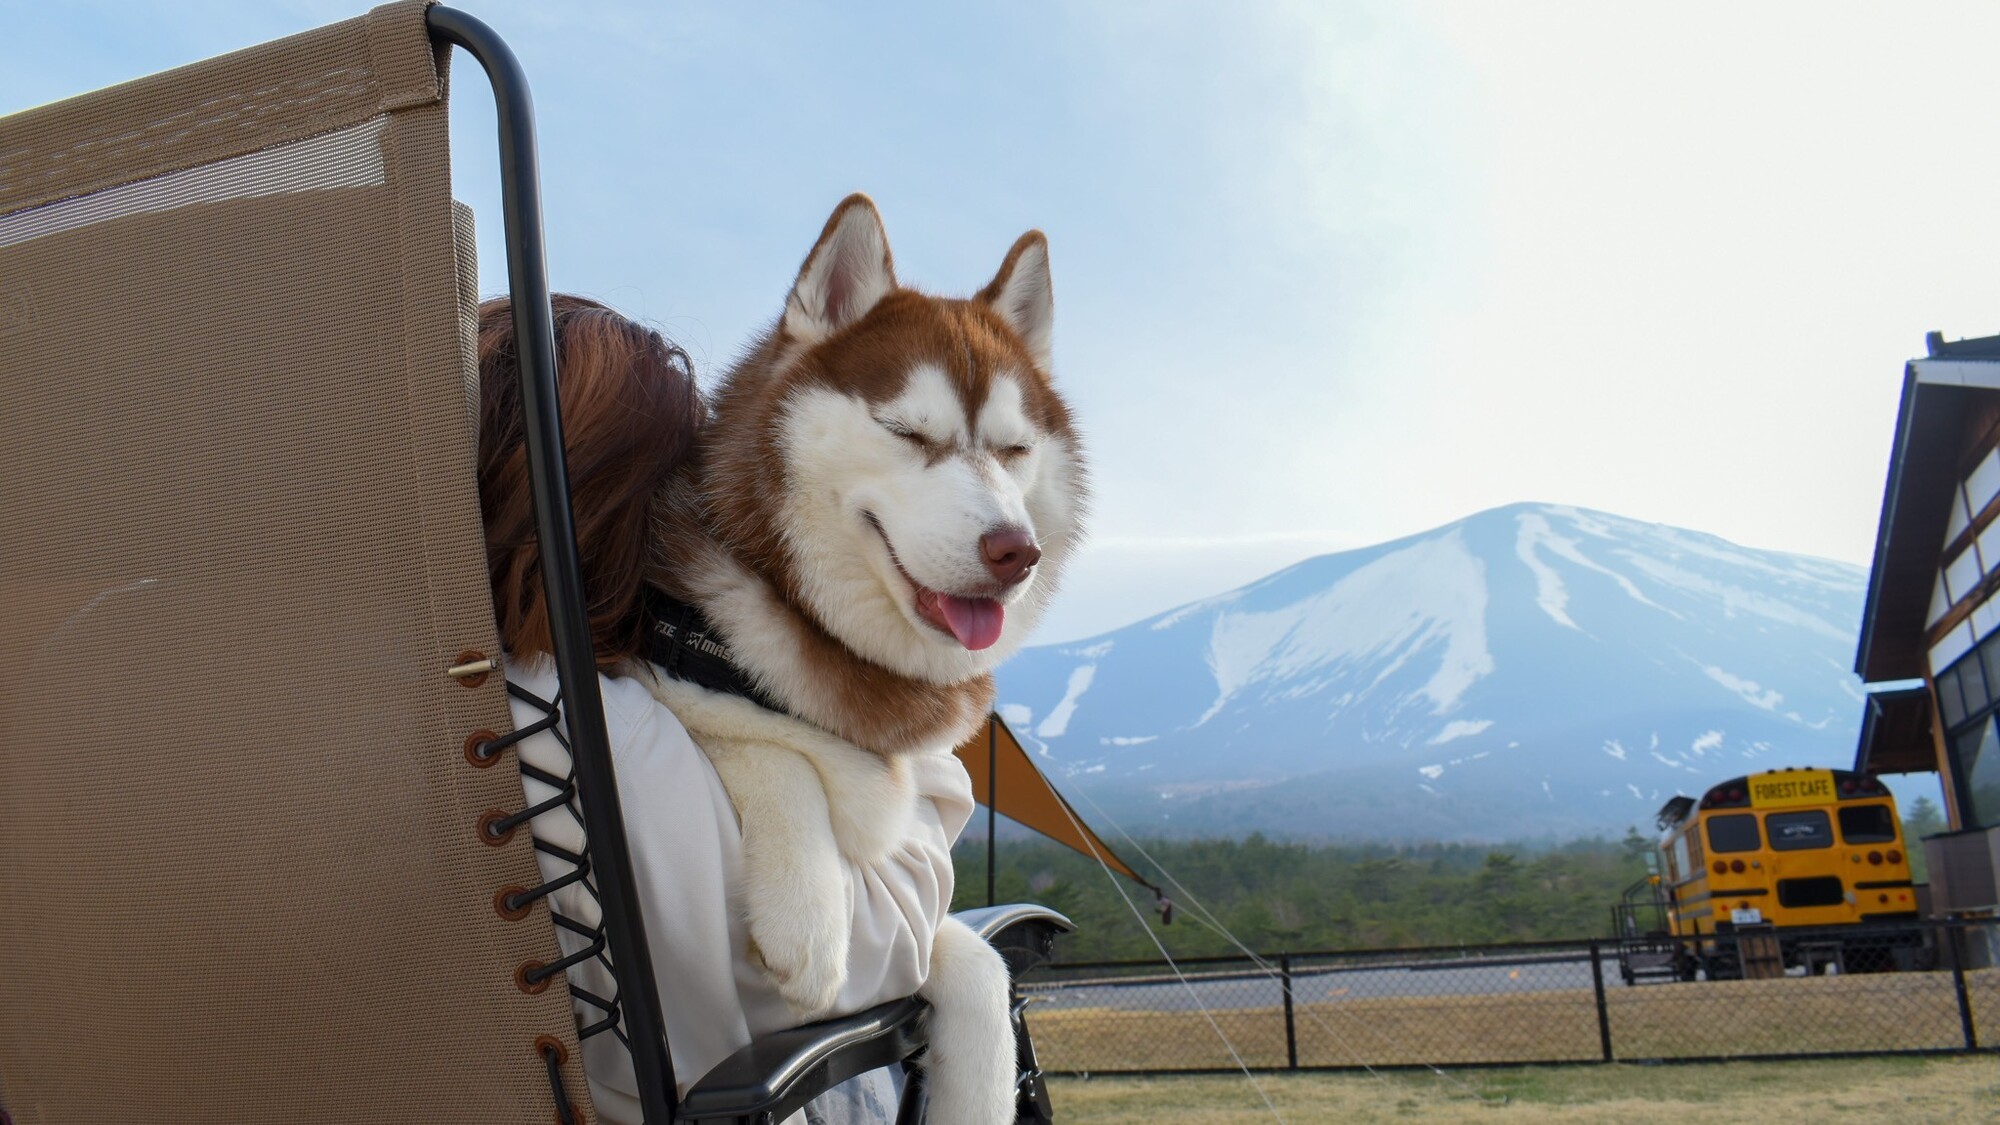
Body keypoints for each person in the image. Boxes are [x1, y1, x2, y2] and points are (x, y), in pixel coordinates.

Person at [474, 295, 972, 1123]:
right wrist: (906, 714)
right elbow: (865, 949)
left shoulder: (319, 707)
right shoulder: (603, 743)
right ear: (632, 519)